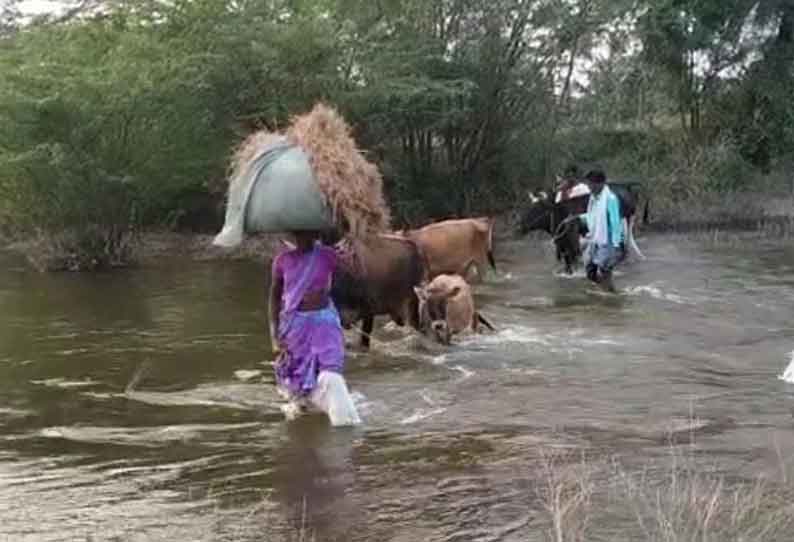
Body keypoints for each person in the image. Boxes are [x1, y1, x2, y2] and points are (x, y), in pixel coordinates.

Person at [269, 230, 361, 426]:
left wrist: (352, 238)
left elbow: (356, 273)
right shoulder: (282, 261)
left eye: (310, 233)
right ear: (293, 235)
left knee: (330, 370)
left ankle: (342, 419)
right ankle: (307, 408)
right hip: (295, 324)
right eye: (300, 234)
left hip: (324, 320)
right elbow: (274, 298)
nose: (305, 238)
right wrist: (274, 335)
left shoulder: (327, 255)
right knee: (298, 374)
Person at [579, 168, 624, 293]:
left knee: (604, 270)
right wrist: (577, 218)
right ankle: (608, 292)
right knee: (590, 272)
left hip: (608, 241)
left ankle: (610, 295)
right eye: (588, 184)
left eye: (590, 184)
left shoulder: (610, 199)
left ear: (600, 184)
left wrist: (616, 245)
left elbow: (616, 223)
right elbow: (592, 216)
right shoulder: (594, 198)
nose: (589, 187)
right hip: (596, 239)